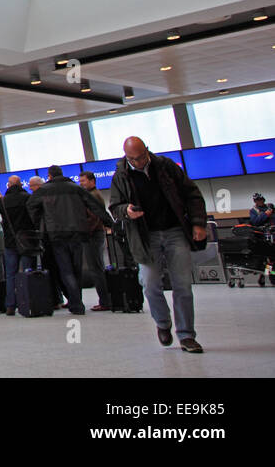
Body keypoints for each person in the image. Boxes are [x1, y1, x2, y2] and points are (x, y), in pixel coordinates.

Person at [109, 136, 208, 354]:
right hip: (146, 236)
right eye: (132, 159)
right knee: (150, 283)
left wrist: (199, 223)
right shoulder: (121, 176)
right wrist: (126, 210)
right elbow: (114, 207)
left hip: (175, 231)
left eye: (141, 157)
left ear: (147, 150)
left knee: (182, 284)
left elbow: (192, 194)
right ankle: (163, 323)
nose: (138, 162)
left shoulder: (166, 167)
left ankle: (186, 335)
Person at [27, 165, 114, 315]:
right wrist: (110, 223)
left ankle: (76, 304)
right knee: (76, 269)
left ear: (49, 176)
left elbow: (30, 205)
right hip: (78, 232)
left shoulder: (44, 190)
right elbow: (95, 206)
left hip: (56, 234)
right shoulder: (76, 188)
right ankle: (76, 301)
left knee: (65, 269)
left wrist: (40, 223)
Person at [0, 175, 41, 316]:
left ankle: (10, 306)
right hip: (27, 241)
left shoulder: (3, 201)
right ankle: (29, 302)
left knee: (10, 274)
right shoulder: (28, 198)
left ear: (8, 186)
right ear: (21, 184)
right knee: (28, 272)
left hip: (10, 242)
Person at [78, 172, 113, 311]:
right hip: (96, 234)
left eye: (84, 181)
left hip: (92, 235)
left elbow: (93, 218)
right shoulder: (95, 194)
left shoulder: (92, 196)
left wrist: (85, 232)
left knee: (96, 268)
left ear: (92, 181)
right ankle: (105, 299)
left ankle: (105, 301)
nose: (81, 183)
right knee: (98, 267)